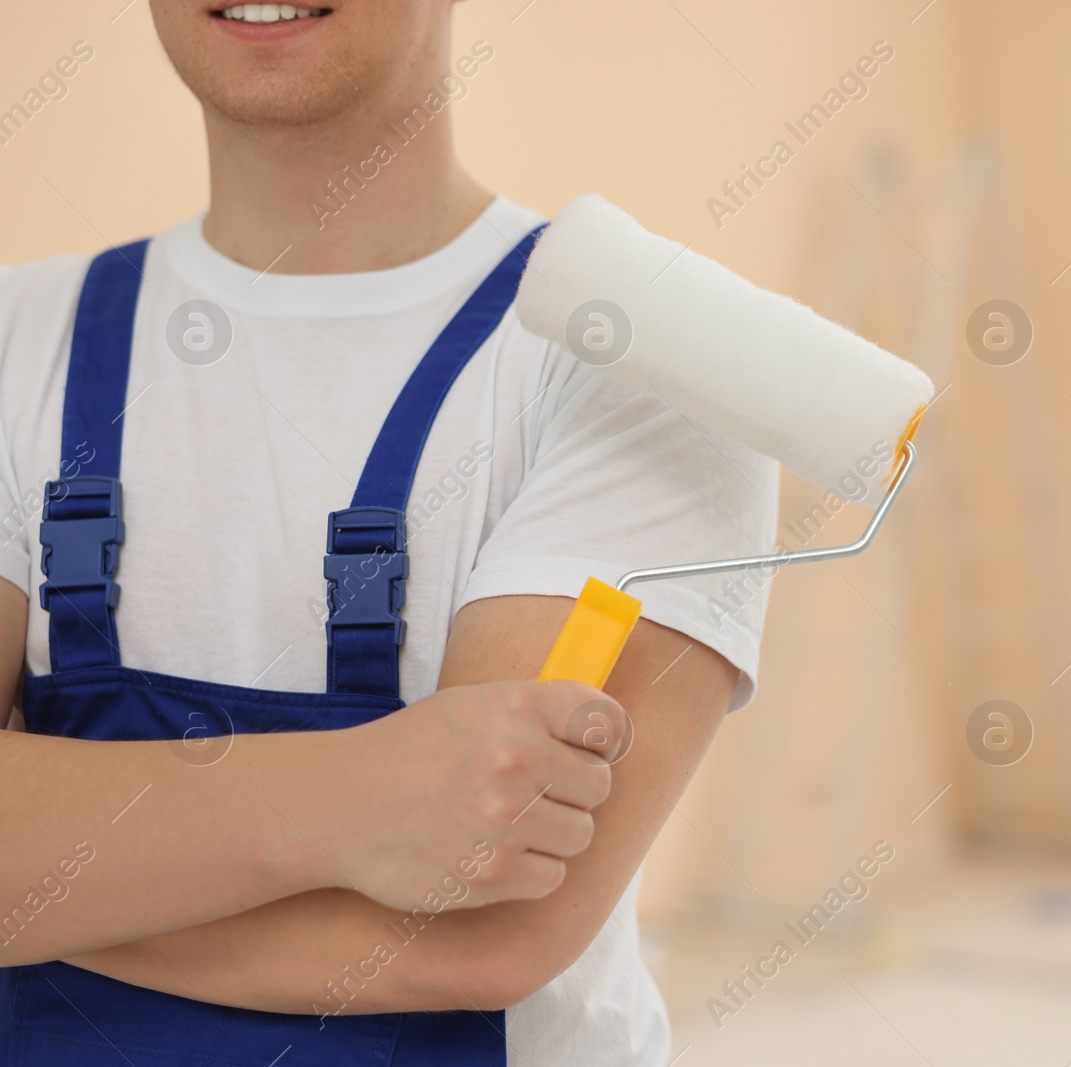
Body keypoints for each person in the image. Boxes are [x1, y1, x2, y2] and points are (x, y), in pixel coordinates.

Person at [0, 2, 777, 1064]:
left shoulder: (644, 364)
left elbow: (480, 933)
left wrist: (48, 893)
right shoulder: (15, 341)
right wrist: (358, 792)